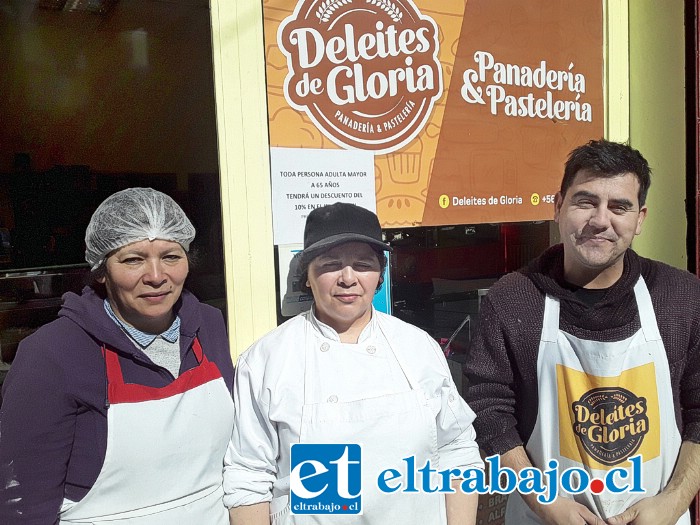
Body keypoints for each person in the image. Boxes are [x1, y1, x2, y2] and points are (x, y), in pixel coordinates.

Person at [464, 139, 700, 525]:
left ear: (640, 219)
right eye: (585, 201)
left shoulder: (681, 296)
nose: (600, 220)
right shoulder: (513, 298)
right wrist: (545, 501)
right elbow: (488, 411)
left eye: (619, 207)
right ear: (559, 206)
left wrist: (672, 504)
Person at [225, 202, 484, 525]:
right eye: (330, 265)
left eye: (363, 265)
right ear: (306, 275)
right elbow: (249, 477)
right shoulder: (267, 359)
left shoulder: (417, 348)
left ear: (380, 275)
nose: (348, 279)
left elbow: (457, 451)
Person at [0, 188, 234, 524]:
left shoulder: (209, 327)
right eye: (133, 259)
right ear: (100, 271)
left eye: (171, 256)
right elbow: (23, 501)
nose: (156, 276)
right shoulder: (53, 353)